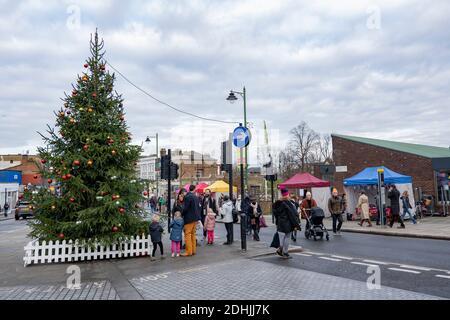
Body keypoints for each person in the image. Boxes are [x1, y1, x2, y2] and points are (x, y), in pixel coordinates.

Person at [273, 188, 301, 259]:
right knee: (287, 237)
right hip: (287, 223)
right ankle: (285, 252)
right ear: (287, 194)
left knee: (282, 237)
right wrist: (296, 224)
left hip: (280, 222)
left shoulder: (277, 203)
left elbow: (275, 213)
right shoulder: (288, 203)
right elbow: (292, 214)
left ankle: (281, 249)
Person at [181, 185, 201, 256]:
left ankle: (189, 251)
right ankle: (193, 250)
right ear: (194, 189)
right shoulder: (196, 197)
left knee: (187, 234)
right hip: (195, 218)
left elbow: (185, 208)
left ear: (189, 189)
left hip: (189, 218)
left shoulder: (187, 197)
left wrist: (181, 213)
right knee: (193, 234)